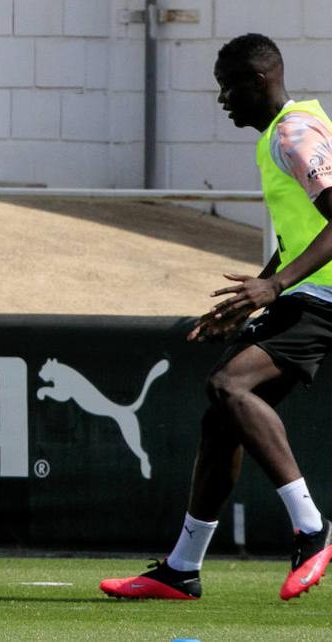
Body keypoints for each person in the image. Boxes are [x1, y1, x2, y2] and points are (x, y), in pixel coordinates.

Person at [101, 33, 332, 602]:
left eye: (226, 87)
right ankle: (181, 569)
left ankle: (312, 529)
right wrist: (256, 293)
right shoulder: (287, 133)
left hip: (324, 298)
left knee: (229, 386)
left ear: (257, 81)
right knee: (221, 420)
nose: (222, 99)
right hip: (307, 292)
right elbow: (305, 230)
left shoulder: (294, 136)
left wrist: (276, 285)